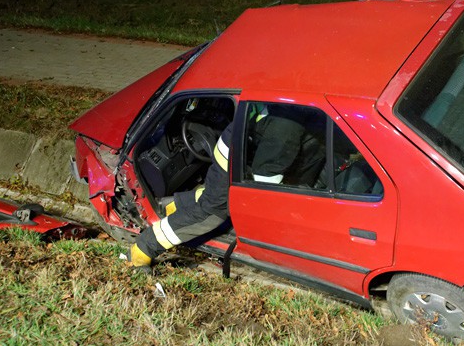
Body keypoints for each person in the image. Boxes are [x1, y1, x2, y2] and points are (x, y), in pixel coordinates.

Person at [128, 105, 322, 268]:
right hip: (233, 156)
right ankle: (143, 249)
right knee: (212, 212)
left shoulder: (304, 116)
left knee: (217, 196)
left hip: (253, 151)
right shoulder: (285, 131)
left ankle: (177, 204)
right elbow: (262, 187)